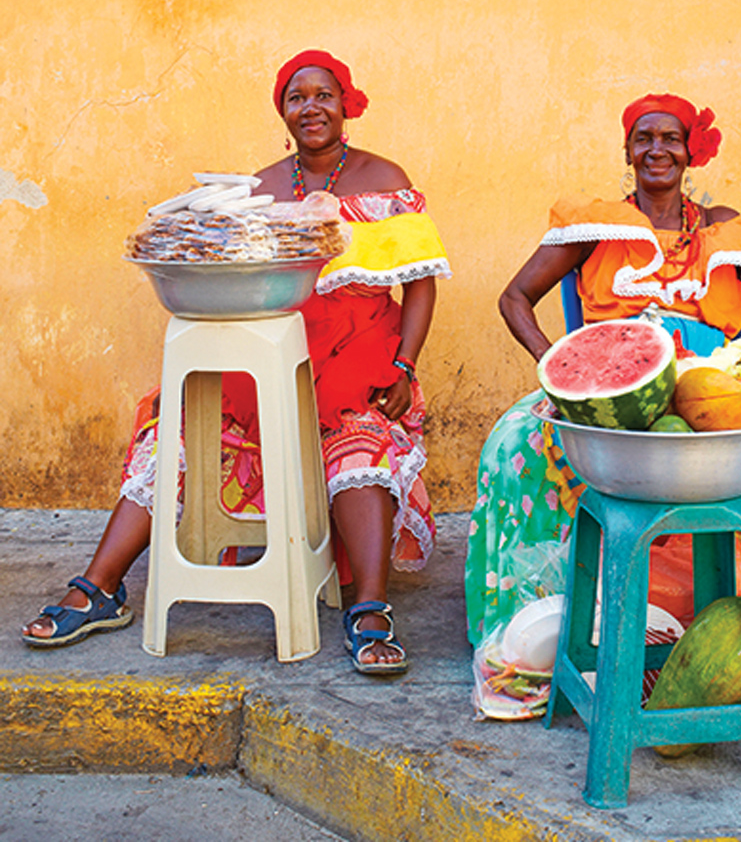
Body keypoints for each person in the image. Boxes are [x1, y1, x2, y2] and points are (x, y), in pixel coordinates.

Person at [23, 49, 450, 675]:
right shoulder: (260, 189)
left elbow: (421, 283)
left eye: (323, 95)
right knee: (175, 435)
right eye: (297, 98)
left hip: (363, 357)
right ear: (283, 112)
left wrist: (405, 367)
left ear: (345, 103)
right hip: (270, 351)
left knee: (361, 447)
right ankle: (101, 586)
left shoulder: (384, 177)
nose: (311, 108)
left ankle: (370, 608)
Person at [464, 91, 741, 709]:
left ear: (690, 150)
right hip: (610, 403)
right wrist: (561, 369)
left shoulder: (728, 229)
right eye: (643, 138)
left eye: (670, 138)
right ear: (627, 150)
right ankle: (527, 646)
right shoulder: (596, 224)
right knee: (512, 444)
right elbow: (515, 297)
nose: (656, 149)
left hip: (714, 395)